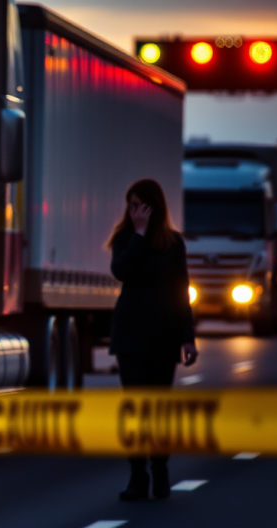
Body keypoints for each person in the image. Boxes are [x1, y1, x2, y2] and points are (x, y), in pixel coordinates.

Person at [107, 178, 198, 501]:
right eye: (129, 206)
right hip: (129, 335)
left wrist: (187, 338)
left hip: (163, 337)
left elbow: (181, 292)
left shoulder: (173, 244)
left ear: (152, 207)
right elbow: (121, 270)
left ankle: (160, 472)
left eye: (138, 206)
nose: (133, 212)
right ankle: (137, 476)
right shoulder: (125, 237)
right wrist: (140, 235)